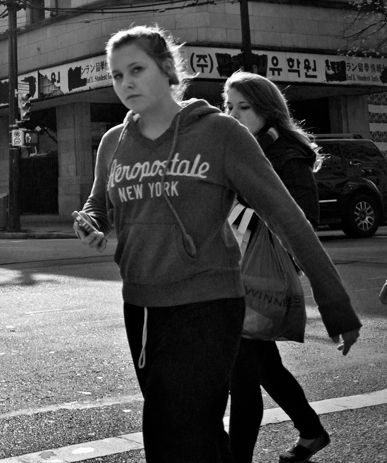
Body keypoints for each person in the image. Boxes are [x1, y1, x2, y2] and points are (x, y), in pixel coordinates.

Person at [73, 25, 361, 463]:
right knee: (185, 430)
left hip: (210, 301)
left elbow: (288, 217)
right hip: (143, 306)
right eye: (116, 75)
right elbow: (98, 202)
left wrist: (335, 303)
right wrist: (89, 221)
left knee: (178, 429)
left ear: (168, 69)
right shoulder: (114, 142)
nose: (126, 83)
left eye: (136, 69)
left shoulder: (221, 134)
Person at [224, 71, 361, 463]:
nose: (233, 115)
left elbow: (304, 221)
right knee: (262, 364)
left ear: (266, 110)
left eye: (243, 107)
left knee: (242, 375)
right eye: (228, 106)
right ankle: (312, 431)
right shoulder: (237, 148)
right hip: (236, 269)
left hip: (266, 272)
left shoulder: (285, 154)